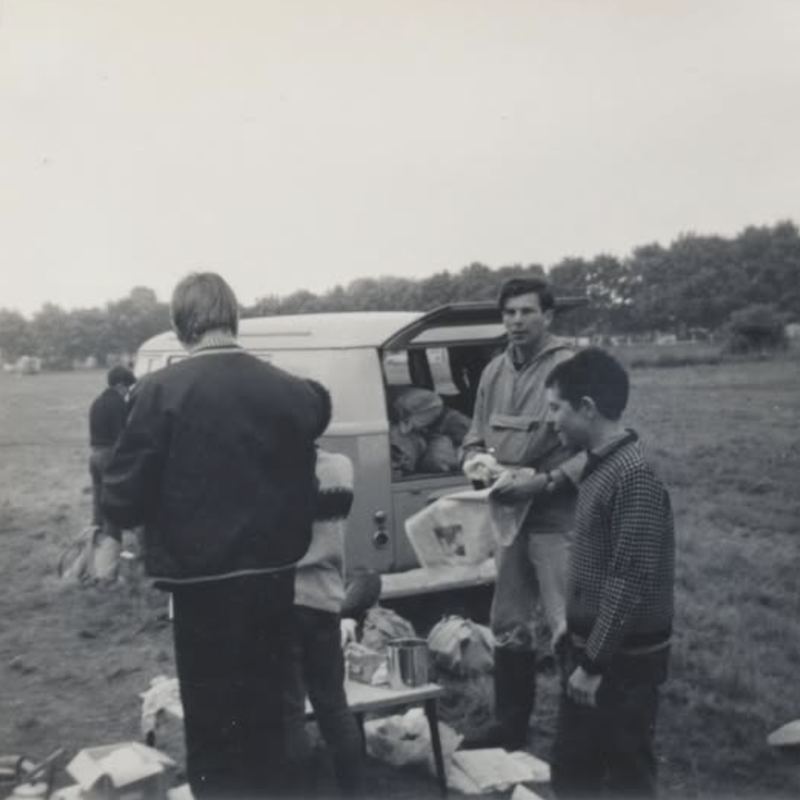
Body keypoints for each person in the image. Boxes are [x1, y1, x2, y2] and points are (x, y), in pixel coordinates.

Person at [101, 272, 325, 800]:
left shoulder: (159, 390)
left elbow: (126, 490)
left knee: (211, 722)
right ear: (234, 317)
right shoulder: (287, 387)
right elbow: (314, 431)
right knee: (266, 717)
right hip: (273, 576)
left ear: (181, 324)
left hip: (201, 583)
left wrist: (115, 527)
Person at [461, 276, 585, 750]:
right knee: (509, 622)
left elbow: (601, 448)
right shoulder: (493, 370)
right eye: (509, 312)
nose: (516, 321)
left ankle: (580, 740)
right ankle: (510, 727)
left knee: (570, 627)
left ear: (548, 316)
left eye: (527, 311)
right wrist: (474, 460)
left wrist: (547, 481)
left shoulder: (571, 366)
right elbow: (474, 434)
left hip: (558, 517)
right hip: (509, 518)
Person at [545, 348, 675, 799]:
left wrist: (594, 664)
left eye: (556, 408)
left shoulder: (632, 475)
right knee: (572, 768)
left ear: (587, 408)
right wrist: (574, 623)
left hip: (622, 664)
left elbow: (629, 578)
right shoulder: (600, 466)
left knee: (625, 775)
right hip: (594, 650)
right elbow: (600, 562)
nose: (551, 421)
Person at [284, 380, 366, 798]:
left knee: (288, 713)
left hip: (284, 600)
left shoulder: (273, 472)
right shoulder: (341, 468)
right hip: (326, 600)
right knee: (333, 705)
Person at [88, 365, 136, 580]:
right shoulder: (118, 404)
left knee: (98, 510)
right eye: (127, 388)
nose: (127, 393)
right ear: (120, 385)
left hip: (94, 456)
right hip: (109, 457)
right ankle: (106, 572)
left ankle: (90, 561)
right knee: (114, 511)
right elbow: (122, 438)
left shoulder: (97, 402)